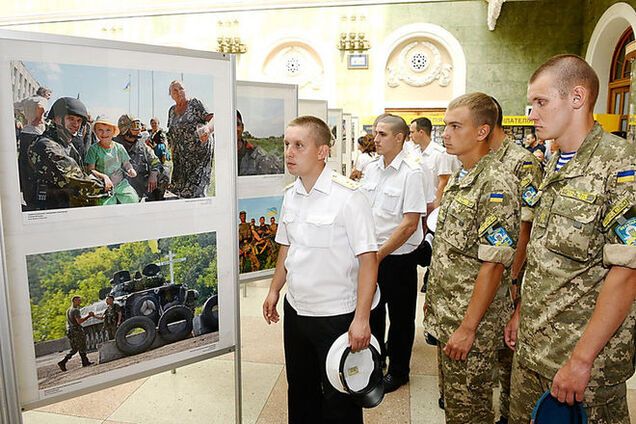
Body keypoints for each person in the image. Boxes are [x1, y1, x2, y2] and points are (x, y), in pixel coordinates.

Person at [506, 54, 636, 423]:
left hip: (582, 366)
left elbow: (627, 273)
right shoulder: (556, 162)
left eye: (540, 102)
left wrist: (581, 360)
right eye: (532, 103)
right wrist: (521, 311)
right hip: (535, 351)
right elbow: (546, 254)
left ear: (577, 98)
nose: (532, 113)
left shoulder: (620, 167)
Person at [262, 115, 378, 424]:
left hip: (335, 316)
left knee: (340, 398)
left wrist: (362, 319)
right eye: (287, 144)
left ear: (322, 151)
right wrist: (275, 289)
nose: (289, 152)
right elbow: (287, 247)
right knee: (300, 392)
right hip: (297, 311)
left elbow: (369, 260)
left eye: (299, 145)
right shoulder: (291, 195)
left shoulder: (349, 198)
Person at [422, 92, 520, 424]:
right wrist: (432, 301)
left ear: (481, 131)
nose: (445, 134)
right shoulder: (462, 177)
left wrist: (468, 328)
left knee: (472, 411)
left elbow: (494, 264)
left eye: (455, 126)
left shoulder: (495, 184)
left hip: (470, 323)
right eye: (445, 126)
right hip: (448, 313)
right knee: (455, 406)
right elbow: (450, 250)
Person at [360, 114, 426, 393]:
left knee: (400, 318)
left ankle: (399, 371)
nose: (376, 139)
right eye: (375, 133)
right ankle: (375, 363)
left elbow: (410, 224)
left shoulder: (412, 173)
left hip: (397, 257)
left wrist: (380, 254)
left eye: (383, 134)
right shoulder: (372, 169)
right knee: (372, 312)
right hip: (372, 255)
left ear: (400, 138)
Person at [489, 97, 543, 424]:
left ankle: (508, 416)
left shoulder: (522, 162)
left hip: (510, 274)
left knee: (510, 357)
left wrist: (514, 276)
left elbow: (527, 224)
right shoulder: (484, 160)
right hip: (491, 270)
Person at [26, 97, 106, 210]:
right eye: (71, 119)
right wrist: (105, 185)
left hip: (65, 208)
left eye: (79, 121)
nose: (76, 124)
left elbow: (82, 174)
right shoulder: (47, 146)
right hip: (49, 213)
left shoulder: (66, 144)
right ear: (57, 119)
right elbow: (79, 184)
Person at [167, 80, 214, 198]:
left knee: (196, 192)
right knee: (179, 191)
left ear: (185, 90)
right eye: (175, 90)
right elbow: (172, 132)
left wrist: (208, 129)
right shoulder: (171, 111)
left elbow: (214, 118)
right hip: (180, 158)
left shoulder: (195, 104)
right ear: (170, 94)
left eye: (181, 89)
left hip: (199, 154)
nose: (178, 92)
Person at [85, 115, 139, 205]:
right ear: (95, 131)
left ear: (114, 131)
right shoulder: (93, 149)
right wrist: (104, 177)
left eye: (108, 130)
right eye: (100, 130)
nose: (104, 133)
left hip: (120, 184)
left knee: (133, 199)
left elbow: (126, 163)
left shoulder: (119, 148)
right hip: (103, 186)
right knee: (106, 205)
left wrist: (130, 169)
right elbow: (90, 170)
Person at [115, 114, 169, 201]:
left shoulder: (142, 145)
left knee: (165, 172)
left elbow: (155, 160)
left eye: (139, 125)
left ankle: (155, 199)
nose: (139, 129)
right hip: (121, 185)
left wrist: (153, 174)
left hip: (141, 182)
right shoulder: (114, 145)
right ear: (125, 129)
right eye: (135, 126)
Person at [410, 117, 459, 208]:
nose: (410, 135)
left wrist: (435, 205)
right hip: (417, 202)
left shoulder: (440, 153)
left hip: (434, 203)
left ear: (421, 133)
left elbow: (444, 181)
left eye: (412, 132)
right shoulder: (414, 152)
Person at [15, 95, 47, 210]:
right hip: (36, 133)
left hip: (25, 133)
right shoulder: (42, 99)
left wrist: (24, 119)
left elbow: (14, 106)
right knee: (35, 166)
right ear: (45, 94)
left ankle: (27, 196)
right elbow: (41, 107)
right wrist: (38, 119)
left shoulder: (27, 99)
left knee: (24, 165)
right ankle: (34, 200)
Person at [237, 110, 284, 176]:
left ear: (242, 127)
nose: (232, 128)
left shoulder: (257, 156)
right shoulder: (218, 156)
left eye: (237, 124)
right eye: (228, 124)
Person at [57, 296, 95, 371]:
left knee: (75, 349)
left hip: (71, 331)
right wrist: (88, 316)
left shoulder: (68, 310)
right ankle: (83, 361)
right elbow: (79, 321)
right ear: (74, 301)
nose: (80, 302)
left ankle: (65, 362)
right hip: (76, 331)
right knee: (82, 346)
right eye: (78, 300)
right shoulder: (75, 310)